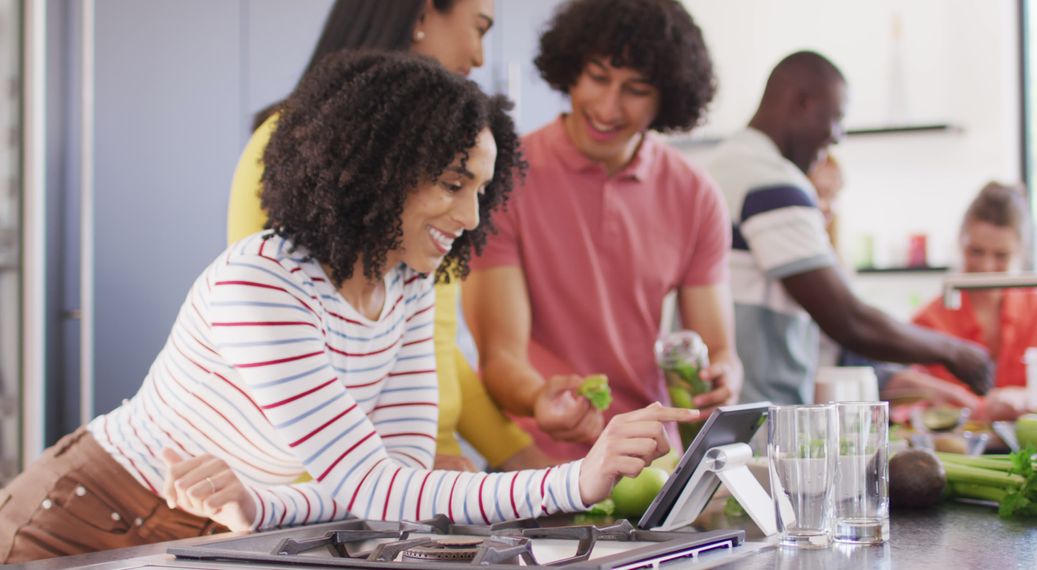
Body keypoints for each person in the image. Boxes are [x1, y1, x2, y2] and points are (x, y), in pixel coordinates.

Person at [0, 52, 697, 563]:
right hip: (88, 512)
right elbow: (380, 485)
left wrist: (258, 506)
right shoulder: (262, 285)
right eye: (453, 184)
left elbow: (384, 480)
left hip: (215, 526)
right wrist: (577, 477)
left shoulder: (407, 288)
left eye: (482, 189)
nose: (470, 214)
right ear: (380, 171)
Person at [227, 0, 549, 472]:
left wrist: (524, 457)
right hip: (325, 486)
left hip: (419, 473)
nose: (480, 58)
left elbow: (436, 349)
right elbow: (280, 352)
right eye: (478, 29)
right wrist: (413, 471)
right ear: (420, 17)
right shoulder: (291, 146)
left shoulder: (439, 186)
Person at [462, 0, 742, 461]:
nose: (608, 107)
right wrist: (542, 399)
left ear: (667, 98)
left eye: (636, 89)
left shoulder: (695, 195)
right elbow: (500, 358)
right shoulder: (504, 178)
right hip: (536, 463)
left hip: (651, 459)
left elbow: (718, 350)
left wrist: (725, 376)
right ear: (571, 70)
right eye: (597, 77)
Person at [705, 50, 993, 405]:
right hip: (757, 414)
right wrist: (954, 352)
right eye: (836, 118)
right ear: (802, 103)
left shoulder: (722, 165)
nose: (838, 136)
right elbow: (849, 320)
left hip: (723, 410)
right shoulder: (769, 181)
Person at [888, 183, 1037, 420]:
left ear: (1020, 251)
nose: (986, 267)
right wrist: (977, 407)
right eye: (976, 252)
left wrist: (1021, 396)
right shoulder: (929, 319)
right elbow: (912, 405)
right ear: (960, 243)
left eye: (1001, 256)